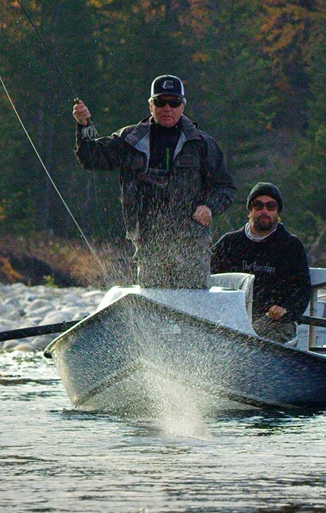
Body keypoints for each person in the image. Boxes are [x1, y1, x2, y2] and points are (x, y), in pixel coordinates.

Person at [73, 75, 236, 288]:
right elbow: (92, 159)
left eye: (174, 102)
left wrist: (209, 207)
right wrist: (83, 125)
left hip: (191, 240)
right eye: (160, 102)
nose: (167, 108)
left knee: (193, 299)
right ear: (151, 106)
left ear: (182, 106)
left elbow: (225, 188)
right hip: (148, 240)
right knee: (154, 298)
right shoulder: (130, 139)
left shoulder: (202, 144)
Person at [210, 182, 312, 342]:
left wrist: (286, 310)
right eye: (258, 205)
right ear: (250, 210)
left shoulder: (291, 245)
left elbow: (302, 290)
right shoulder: (229, 243)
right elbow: (207, 277)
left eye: (271, 206)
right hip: (231, 321)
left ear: (278, 211)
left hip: (275, 322)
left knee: (254, 339)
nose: (264, 211)